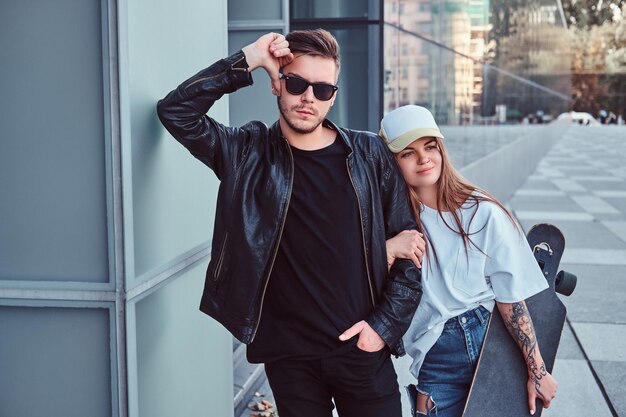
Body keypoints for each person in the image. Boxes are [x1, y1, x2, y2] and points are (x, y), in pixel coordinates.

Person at [156, 30, 425, 417]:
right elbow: (176, 111)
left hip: (362, 353)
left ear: (334, 94)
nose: (308, 98)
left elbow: (410, 253)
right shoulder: (246, 154)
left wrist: (381, 328)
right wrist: (249, 57)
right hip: (288, 360)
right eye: (297, 83)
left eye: (322, 89)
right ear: (277, 85)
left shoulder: (369, 155)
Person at [380, 105, 558, 417]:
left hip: (487, 336)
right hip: (434, 352)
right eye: (408, 153)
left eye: (430, 146)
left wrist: (537, 371)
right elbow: (363, 282)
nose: (423, 159)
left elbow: (510, 299)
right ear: (392, 162)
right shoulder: (389, 223)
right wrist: (390, 248)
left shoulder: (481, 211)